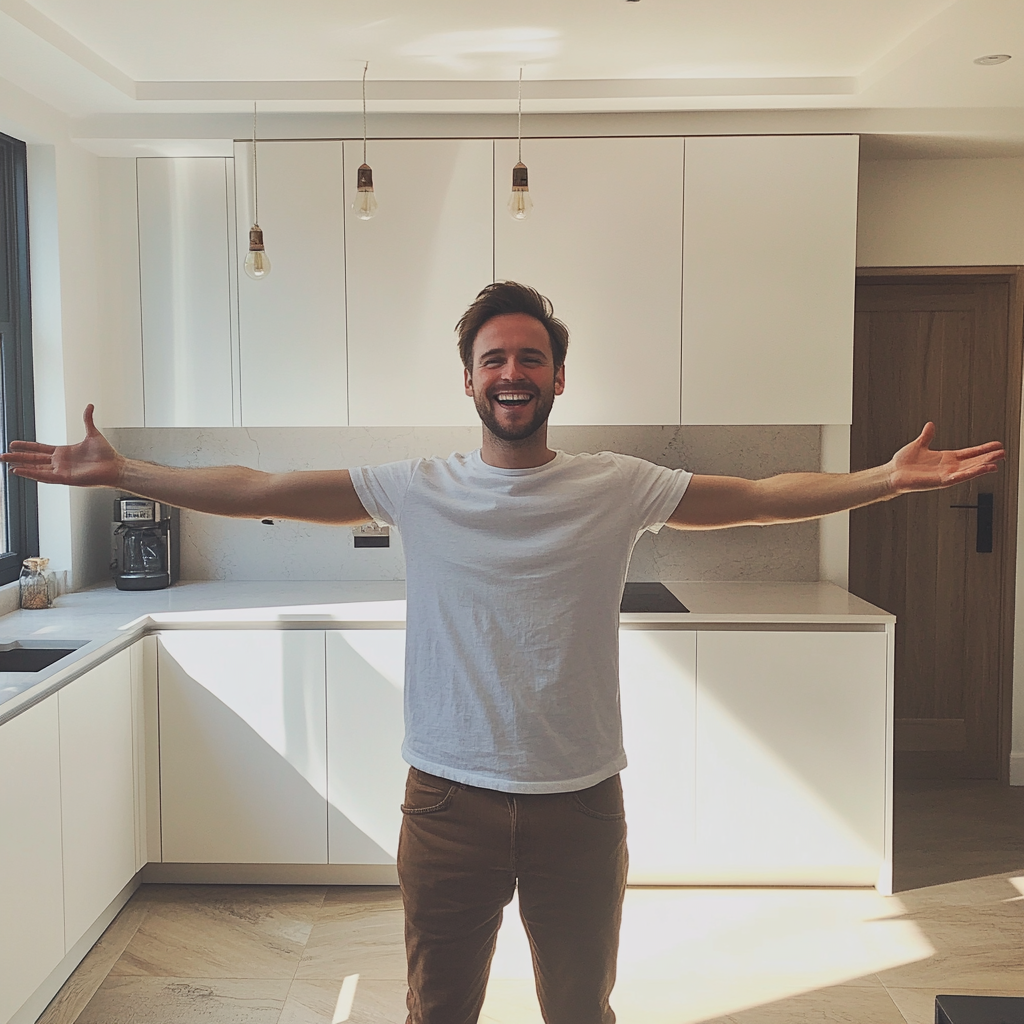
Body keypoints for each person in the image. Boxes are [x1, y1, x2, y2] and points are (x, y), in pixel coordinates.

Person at [2, 282, 1004, 1024]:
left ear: (558, 375)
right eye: (494, 358)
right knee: (438, 1012)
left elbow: (751, 499)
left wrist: (882, 478)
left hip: (579, 801)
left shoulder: (615, 484)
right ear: (470, 378)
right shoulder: (417, 486)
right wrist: (125, 469)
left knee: (580, 1012)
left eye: (530, 358)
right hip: (445, 802)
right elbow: (262, 485)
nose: (512, 374)